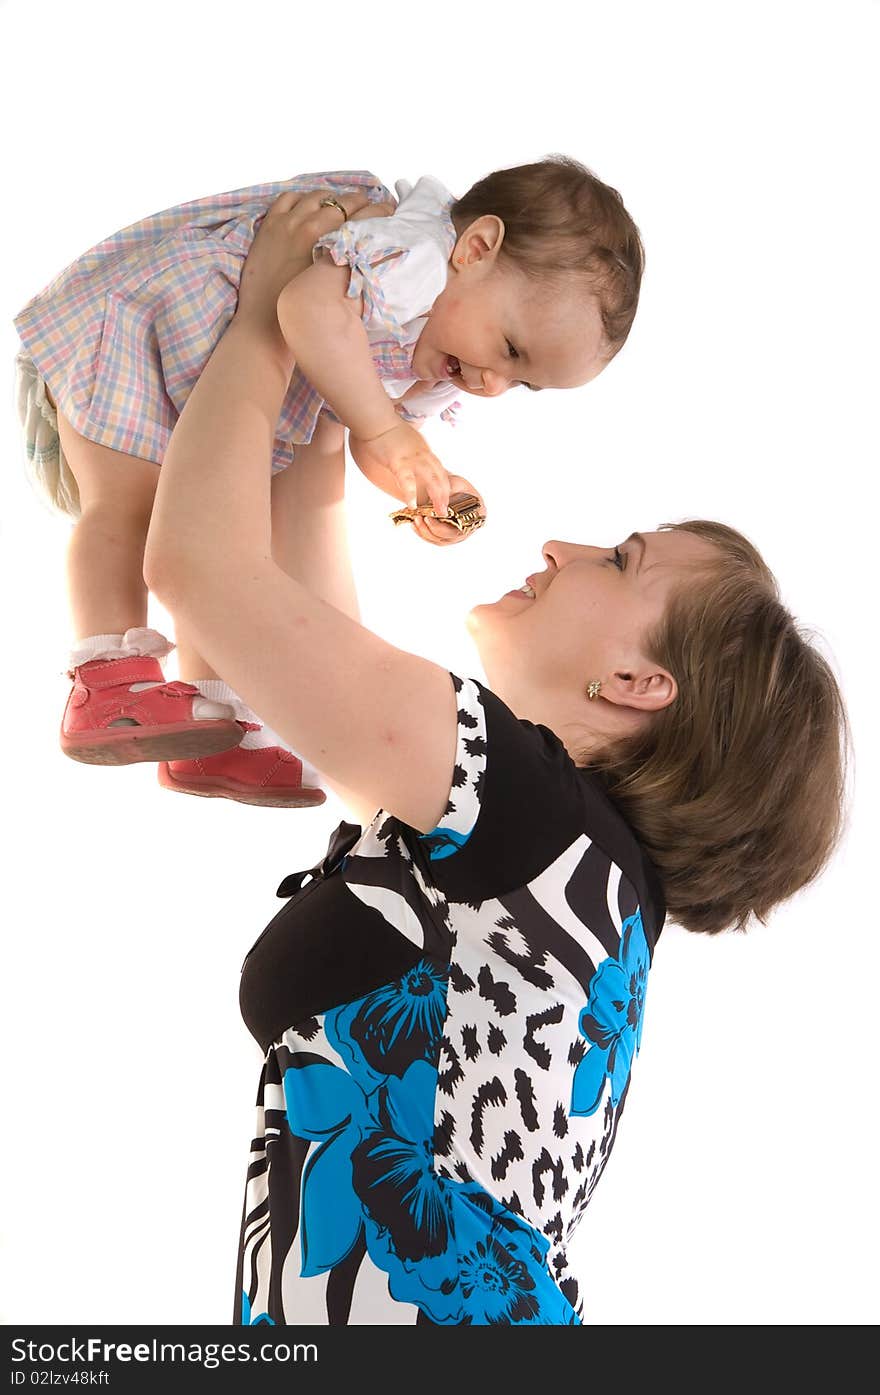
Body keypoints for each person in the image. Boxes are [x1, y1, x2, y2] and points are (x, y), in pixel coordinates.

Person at [141, 192, 849, 1325]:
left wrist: (270, 324)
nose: (563, 547)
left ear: (637, 686)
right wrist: (343, 400)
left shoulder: (522, 810)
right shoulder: (553, 865)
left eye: (619, 560)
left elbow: (201, 577)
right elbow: (295, 611)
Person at [13, 156, 643, 807]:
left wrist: (417, 480)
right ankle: (104, 678)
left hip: (211, 372)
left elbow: (362, 419)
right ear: (476, 248)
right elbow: (307, 308)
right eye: (511, 349)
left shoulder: (440, 347)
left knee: (219, 521)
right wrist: (386, 433)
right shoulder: (416, 257)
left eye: (523, 382)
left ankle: (214, 719)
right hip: (141, 324)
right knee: (129, 505)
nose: (493, 383)